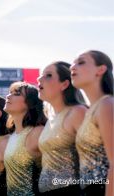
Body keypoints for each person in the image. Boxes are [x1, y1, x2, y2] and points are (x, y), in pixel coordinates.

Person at [37, 61, 87, 195]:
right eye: (41, 75)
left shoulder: (78, 112)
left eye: (48, 75)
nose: (39, 79)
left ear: (64, 84)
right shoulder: (50, 118)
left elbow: (97, 160)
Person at [71, 50, 113, 196]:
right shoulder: (92, 110)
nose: (72, 67)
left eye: (81, 62)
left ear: (100, 69)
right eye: (73, 63)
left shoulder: (107, 105)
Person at [4, 82, 47, 195]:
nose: (8, 96)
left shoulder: (38, 132)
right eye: (10, 93)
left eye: (16, 94)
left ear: (30, 103)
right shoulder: (11, 136)